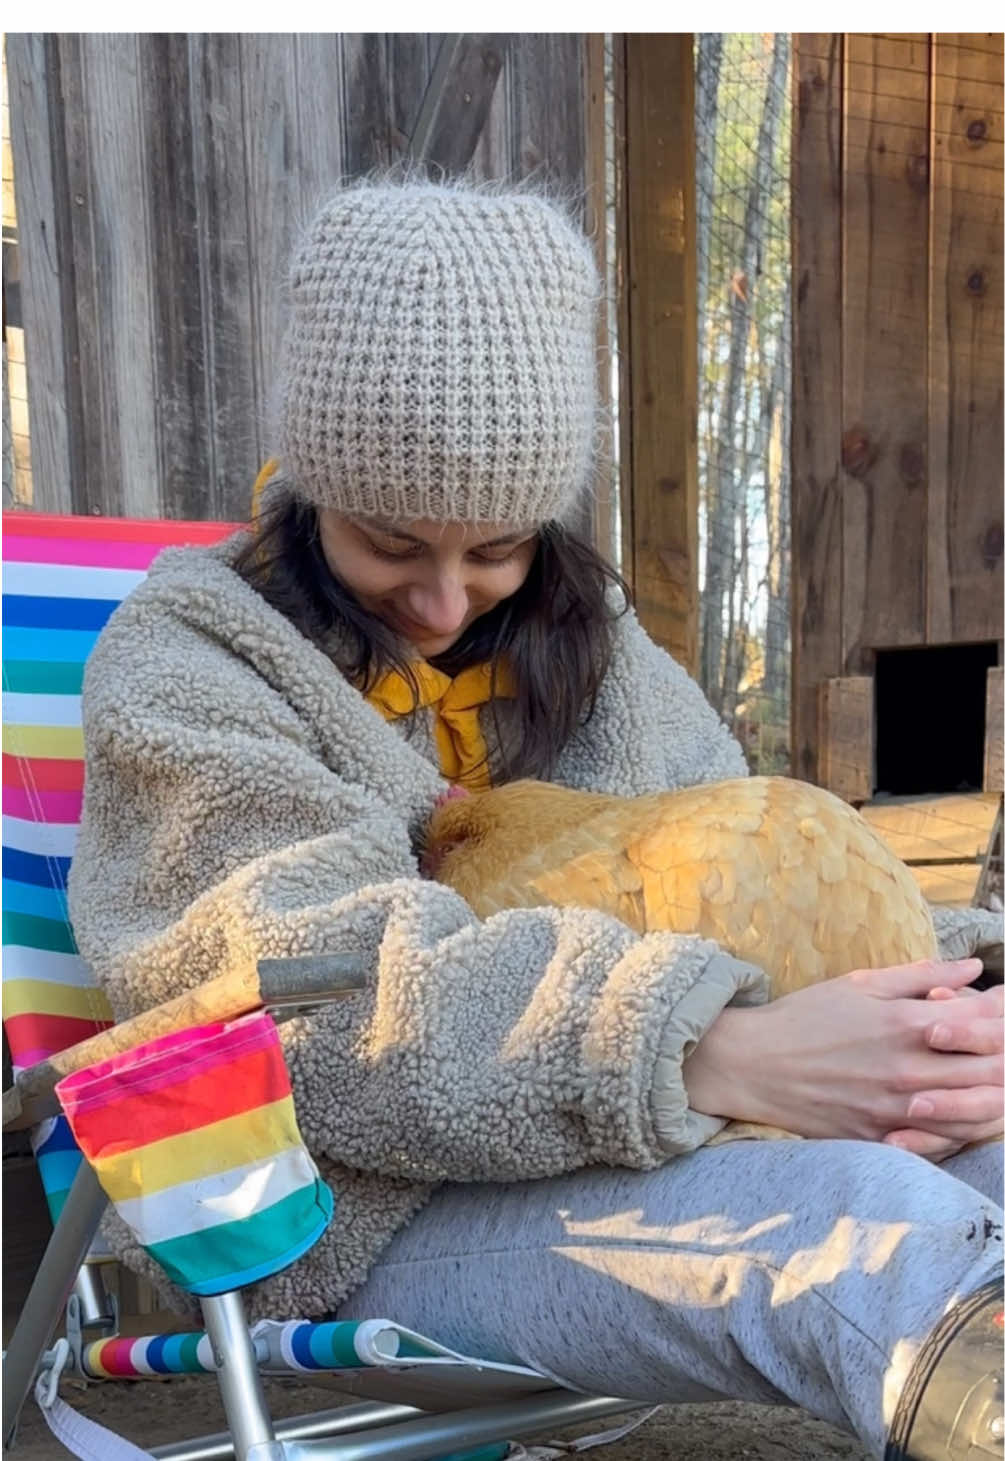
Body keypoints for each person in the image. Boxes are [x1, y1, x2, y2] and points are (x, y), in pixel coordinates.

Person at [68, 177, 1003, 1461]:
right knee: (855, 1235)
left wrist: (955, 1004)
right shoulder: (187, 668)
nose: (446, 602)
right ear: (310, 490)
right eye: (393, 542)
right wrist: (701, 1052)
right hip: (356, 1206)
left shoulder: (598, 655)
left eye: (497, 549)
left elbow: (753, 881)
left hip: (654, 1134)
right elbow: (290, 1002)